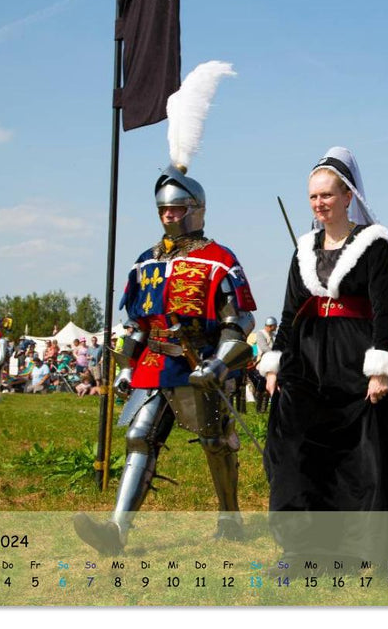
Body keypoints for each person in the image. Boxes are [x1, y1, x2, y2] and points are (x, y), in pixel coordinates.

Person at [74, 60, 256, 553]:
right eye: (164, 210)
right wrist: (126, 364)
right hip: (155, 363)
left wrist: (219, 364)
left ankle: (231, 517)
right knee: (139, 438)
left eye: (177, 209)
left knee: (217, 444)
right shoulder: (144, 262)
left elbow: (241, 323)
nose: (170, 216)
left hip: (199, 361)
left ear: (196, 209)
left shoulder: (220, 260)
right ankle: (117, 530)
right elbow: (136, 321)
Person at [259, 146, 388, 567]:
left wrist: (379, 369)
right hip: (308, 358)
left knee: (364, 455)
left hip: (356, 358)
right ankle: (302, 548)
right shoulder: (303, 250)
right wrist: (276, 361)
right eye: (314, 197)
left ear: (348, 196)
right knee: (298, 450)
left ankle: (368, 549)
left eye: (328, 195)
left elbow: (383, 309)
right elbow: (288, 312)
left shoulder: (374, 245)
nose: (320, 204)